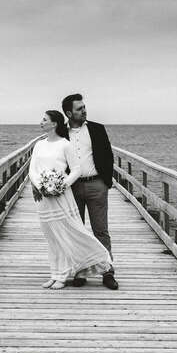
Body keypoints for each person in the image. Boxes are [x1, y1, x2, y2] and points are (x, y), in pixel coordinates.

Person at [29, 110, 112, 290]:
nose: (41, 122)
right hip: (43, 197)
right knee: (51, 237)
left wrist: (59, 186)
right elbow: (32, 170)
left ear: (54, 124)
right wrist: (42, 187)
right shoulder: (39, 145)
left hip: (60, 195)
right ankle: (55, 273)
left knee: (66, 233)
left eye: (44, 120)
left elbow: (76, 170)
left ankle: (92, 264)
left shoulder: (65, 145)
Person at [62, 93, 119, 290]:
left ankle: (107, 271)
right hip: (72, 187)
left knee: (101, 230)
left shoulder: (97, 129)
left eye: (84, 107)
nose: (84, 110)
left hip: (96, 185)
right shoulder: (61, 132)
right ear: (69, 113)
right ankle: (80, 271)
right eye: (79, 109)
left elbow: (108, 154)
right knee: (77, 231)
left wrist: (106, 182)